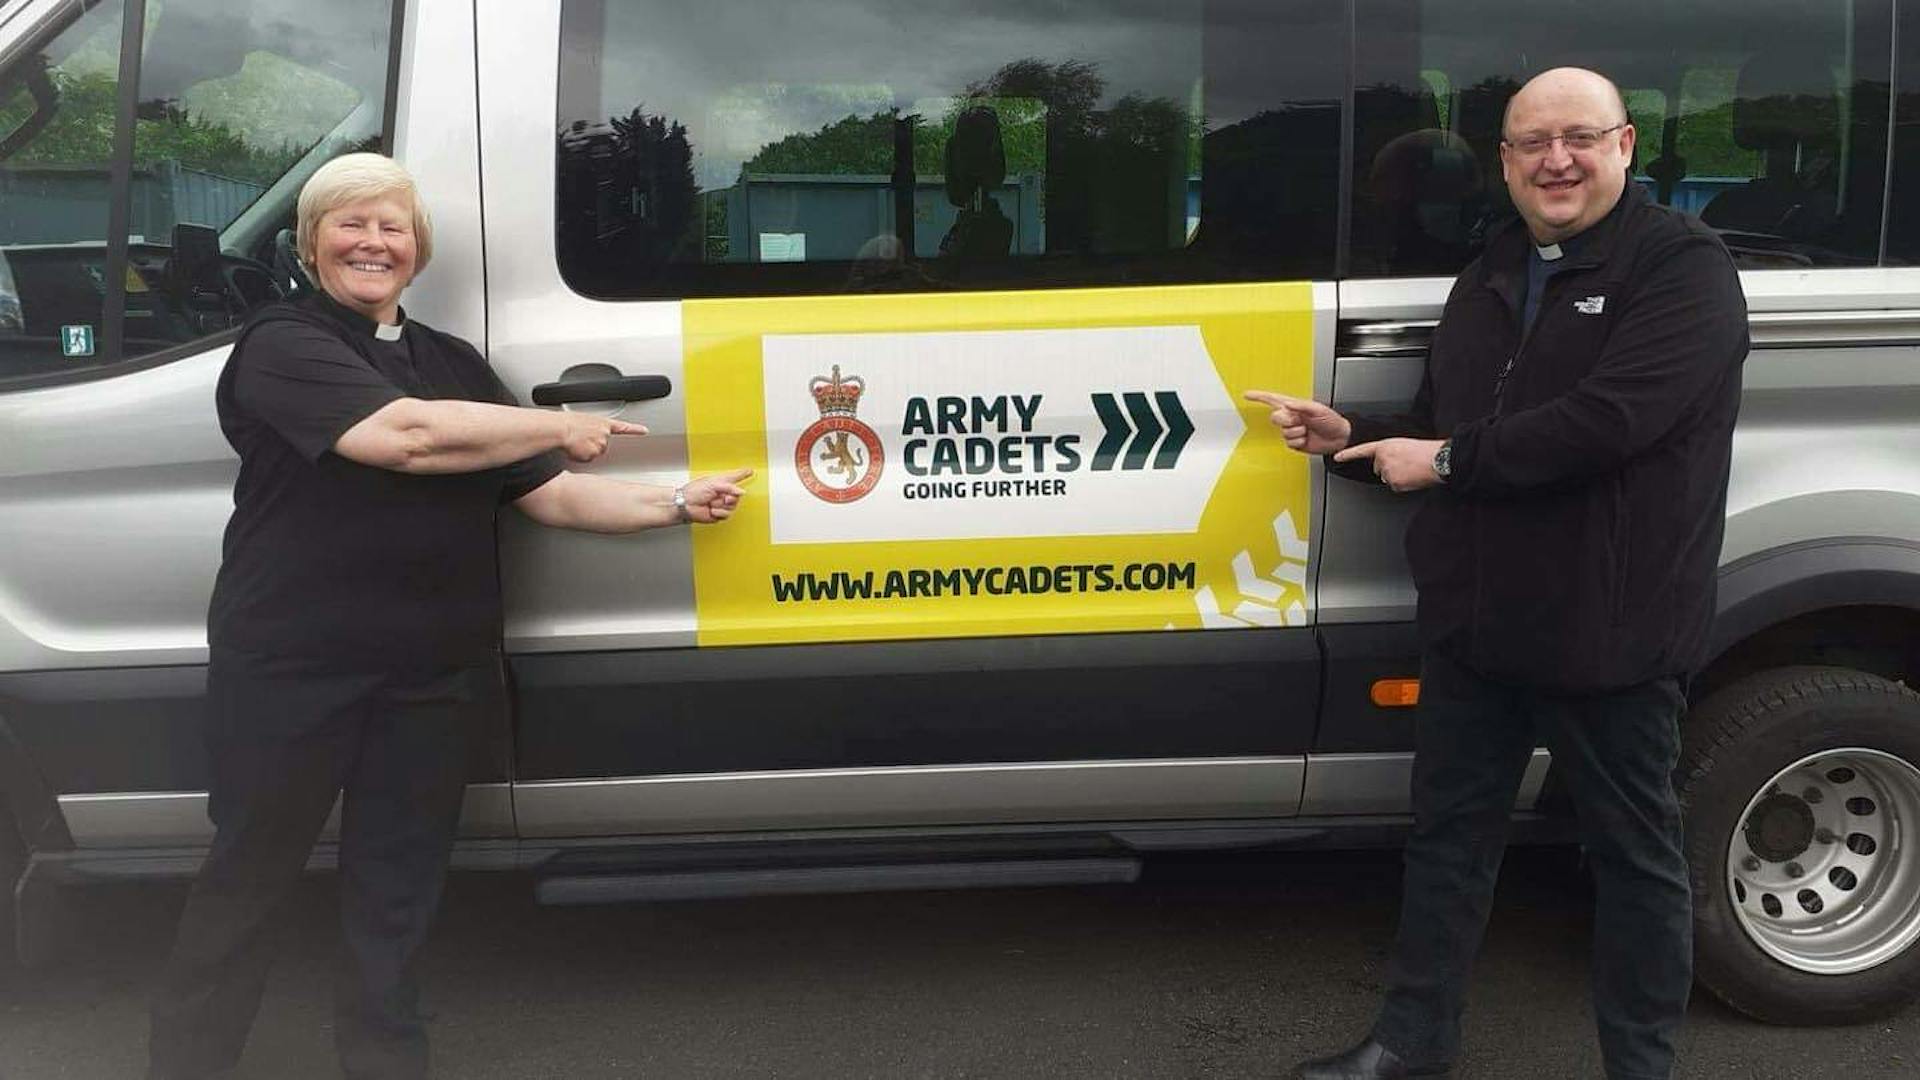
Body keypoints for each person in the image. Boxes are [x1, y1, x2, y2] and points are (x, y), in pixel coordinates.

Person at [147, 152, 751, 1079]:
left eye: (392, 227)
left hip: (431, 675)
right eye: (349, 224)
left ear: (417, 250)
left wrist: (673, 503)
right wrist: (558, 423)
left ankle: (385, 1063)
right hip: (292, 668)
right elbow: (406, 438)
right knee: (248, 877)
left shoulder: (453, 363)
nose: (372, 243)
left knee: (396, 891)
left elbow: (551, 496)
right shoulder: (282, 342)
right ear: (309, 244)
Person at [1247, 67, 1748, 1079]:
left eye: (1578, 138)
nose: (1556, 161)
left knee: (1633, 858)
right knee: (1448, 841)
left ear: (1625, 145)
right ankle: (1412, 1043)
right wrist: (1356, 437)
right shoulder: (1493, 268)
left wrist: (1441, 460)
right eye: (1532, 144)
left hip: (1608, 625)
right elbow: (1453, 424)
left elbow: (1608, 423)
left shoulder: (1681, 269)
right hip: (1478, 620)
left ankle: (1640, 1067)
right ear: (1506, 162)